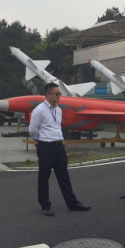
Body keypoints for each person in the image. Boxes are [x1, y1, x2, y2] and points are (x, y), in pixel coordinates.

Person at [29, 83, 91, 217]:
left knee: (64, 177)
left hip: (58, 146)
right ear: (48, 94)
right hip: (46, 147)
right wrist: (38, 140)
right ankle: (45, 206)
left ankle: (72, 204)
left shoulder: (58, 110)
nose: (59, 96)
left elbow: (57, 127)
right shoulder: (39, 110)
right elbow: (33, 129)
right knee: (44, 178)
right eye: (57, 94)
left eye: (60, 94)